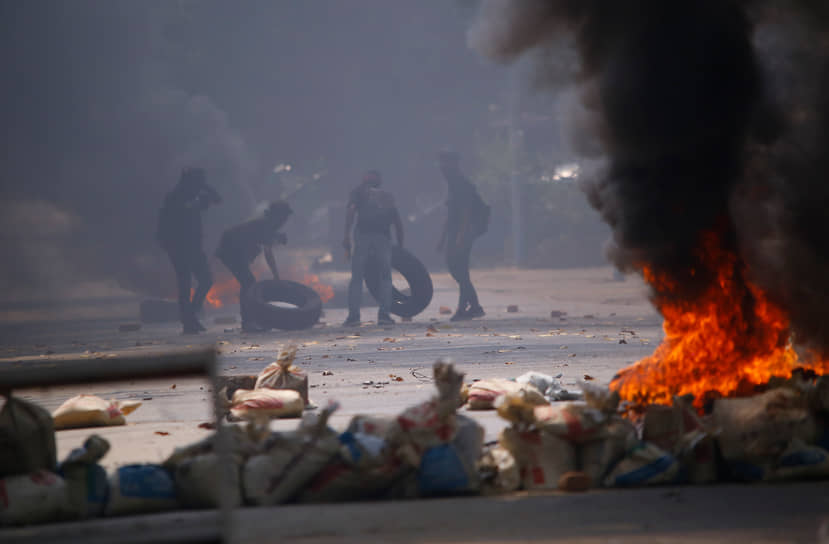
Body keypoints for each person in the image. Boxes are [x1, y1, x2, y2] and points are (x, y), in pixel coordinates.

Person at [156, 167, 222, 334]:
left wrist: (204, 186)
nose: (199, 185)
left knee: (205, 281)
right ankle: (189, 320)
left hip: (193, 246)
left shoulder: (191, 195)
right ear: (189, 181)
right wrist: (201, 195)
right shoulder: (176, 197)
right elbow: (179, 217)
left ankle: (190, 317)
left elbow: (218, 199)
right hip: (179, 247)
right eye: (197, 181)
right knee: (185, 284)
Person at [216, 201, 293, 332]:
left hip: (234, 250)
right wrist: (276, 276)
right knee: (248, 283)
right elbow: (268, 254)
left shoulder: (267, 225)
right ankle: (247, 323)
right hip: (230, 250)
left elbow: (262, 242)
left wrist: (276, 238)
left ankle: (249, 321)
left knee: (248, 283)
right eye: (283, 217)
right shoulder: (265, 226)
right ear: (276, 216)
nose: (285, 221)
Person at [342, 170, 404, 326]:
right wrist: (401, 245)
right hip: (382, 237)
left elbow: (350, 211)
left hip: (362, 235)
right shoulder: (387, 196)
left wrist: (346, 235)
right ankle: (384, 316)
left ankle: (353, 317)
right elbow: (397, 221)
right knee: (385, 276)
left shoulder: (358, 192)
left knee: (357, 277)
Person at [436, 151, 488, 321]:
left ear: (454, 164)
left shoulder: (462, 184)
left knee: (461, 270)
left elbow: (466, 212)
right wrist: (443, 238)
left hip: (463, 231)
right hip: (454, 231)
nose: (442, 168)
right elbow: (450, 213)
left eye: (445, 164)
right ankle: (475, 306)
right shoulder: (451, 184)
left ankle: (463, 309)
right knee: (455, 268)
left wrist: (461, 235)